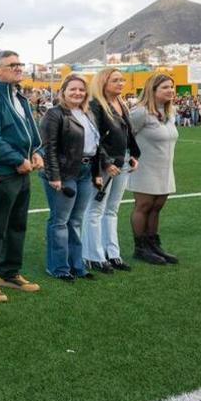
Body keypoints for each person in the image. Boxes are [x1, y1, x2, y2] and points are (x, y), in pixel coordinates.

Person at [0, 50, 44, 302]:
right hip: (3, 172)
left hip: (23, 171)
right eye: (12, 65)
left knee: (17, 225)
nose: (18, 68)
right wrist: (17, 160)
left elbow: (32, 131)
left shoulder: (19, 97)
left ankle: (9, 273)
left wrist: (37, 151)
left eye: (20, 63)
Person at [39, 74, 101, 282]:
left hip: (85, 170)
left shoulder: (88, 113)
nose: (77, 93)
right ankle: (58, 267)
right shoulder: (54, 114)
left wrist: (97, 173)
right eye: (72, 89)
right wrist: (54, 175)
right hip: (64, 173)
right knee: (60, 221)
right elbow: (49, 148)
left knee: (75, 220)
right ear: (63, 91)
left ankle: (77, 265)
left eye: (81, 90)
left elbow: (94, 147)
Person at [84, 68, 140, 273]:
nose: (121, 83)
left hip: (123, 160)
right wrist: (106, 162)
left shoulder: (122, 103)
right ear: (103, 83)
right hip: (104, 164)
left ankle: (113, 253)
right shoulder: (95, 105)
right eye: (115, 80)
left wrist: (133, 154)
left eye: (122, 80)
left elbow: (128, 133)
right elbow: (94, 137)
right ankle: (94, 255)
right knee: (95, 209)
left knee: (112, 209)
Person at [128, 73, 180, 264]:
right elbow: (125, 134)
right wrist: (130, 158)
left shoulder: (169, 112)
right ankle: (140, 248)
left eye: (172, 86)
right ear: (153, 90)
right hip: (145, 167)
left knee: (157, 207)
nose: (171, 90)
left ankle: (154, 245)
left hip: (164, 168)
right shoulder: (140, 112)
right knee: (143, 206)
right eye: (165, 87)